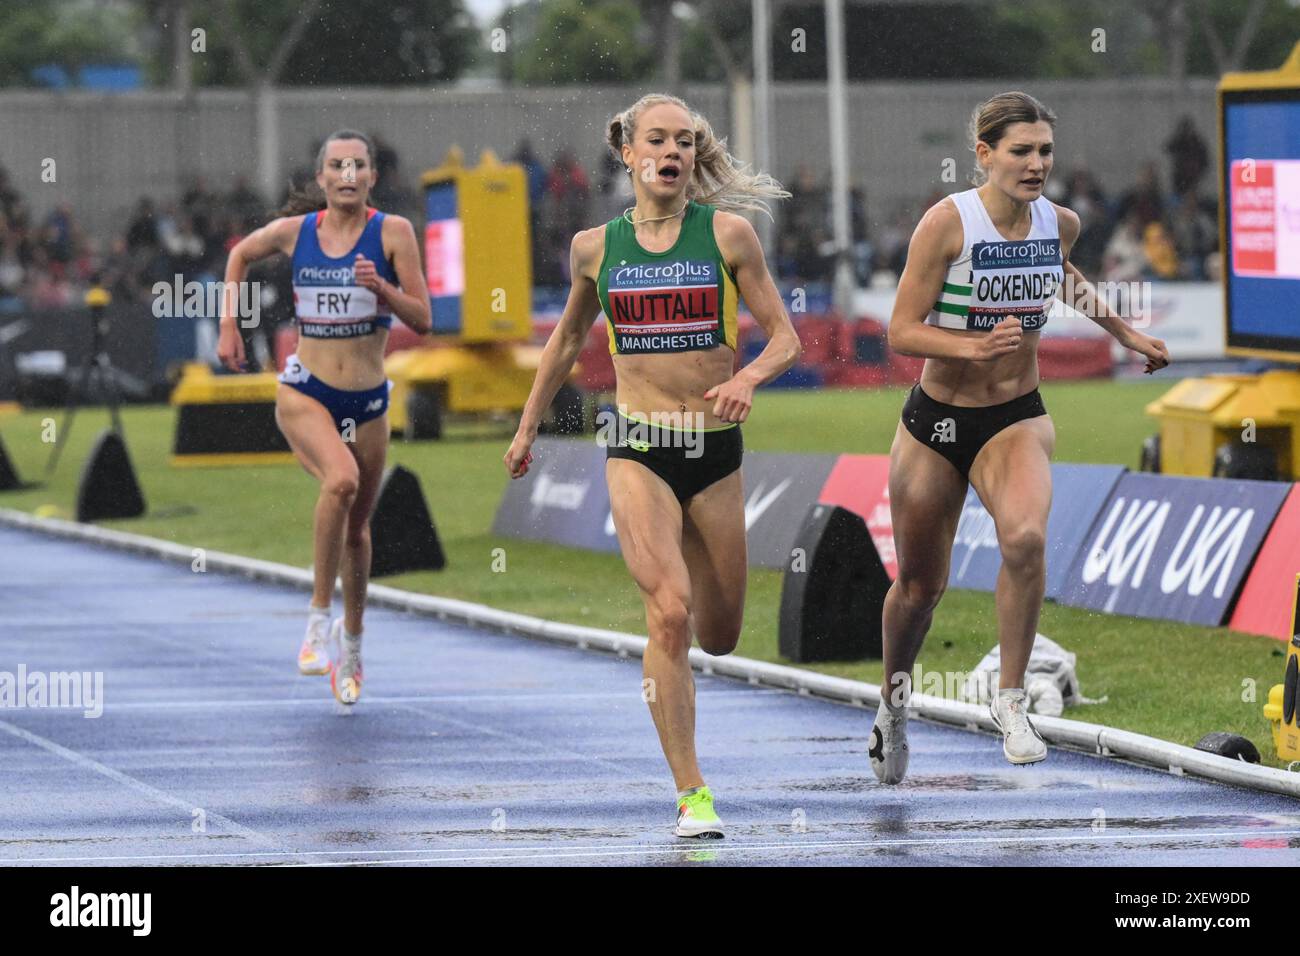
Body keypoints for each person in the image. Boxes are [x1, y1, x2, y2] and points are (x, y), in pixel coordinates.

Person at [504, 94, 801, 838]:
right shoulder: (593, 249)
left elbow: (786, 338)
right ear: (630, 154)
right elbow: (566, 344)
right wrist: (526, 427)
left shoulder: (729, 236)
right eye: (657, 140)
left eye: (684, 142)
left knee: (721, 632)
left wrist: (747, 379)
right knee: (668, 612)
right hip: (637, 446)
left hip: (714, 452)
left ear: (693, 159)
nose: (671, 152)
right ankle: (692, 793)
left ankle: (691, 681)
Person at [872, 92, 1170, 783]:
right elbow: (900, 330)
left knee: (1027, 539)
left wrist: (1125, 333)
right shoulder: (946, 225)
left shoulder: (1058, 222)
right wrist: (973, 347)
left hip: (1015, 415)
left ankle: (1011, 702)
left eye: (1045, 152)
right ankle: (892, 705)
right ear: (983, 154)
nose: (1037, 164)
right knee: (920, 586)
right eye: (1021, 152)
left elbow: (1060, 277)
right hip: (936, 423)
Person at [216, 129, 431, 706]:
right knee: (340, 481)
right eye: (336, 166)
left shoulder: (393, 233)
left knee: (358, 531)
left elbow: (425, 317)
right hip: (307, 391)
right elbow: (239, 254)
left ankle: (352, 645)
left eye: (357, 165)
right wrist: (229, 325)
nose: (346, 175)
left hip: (367, 402)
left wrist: (380, 286)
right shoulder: (296, 233)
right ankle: (315, 623)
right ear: (321, 179)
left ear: (371, 178)